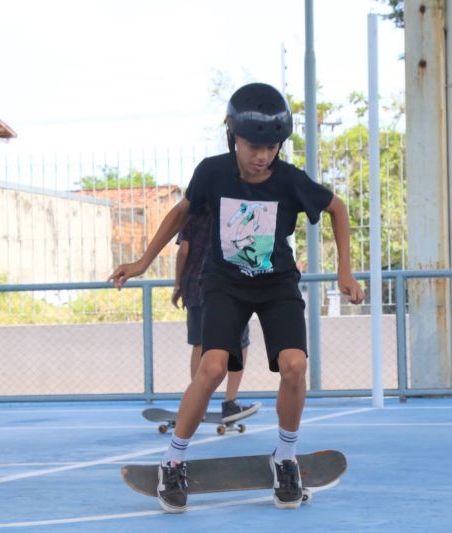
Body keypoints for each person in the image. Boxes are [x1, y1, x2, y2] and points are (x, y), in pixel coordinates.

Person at [108, 82, 365, 513]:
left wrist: (345, 270)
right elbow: (180, 213)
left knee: (295, 365)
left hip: (276, 285)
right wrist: (142, 262)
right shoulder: (212, 172)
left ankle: (285, 458)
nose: (262, 155)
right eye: (253, 146)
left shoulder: (289, 180)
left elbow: (338, 209)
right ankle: (173, 461)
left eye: (272, 146)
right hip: (224, 284)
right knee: (210, 367)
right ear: (233, 137)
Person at [172, 212, 260, 422]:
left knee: (200, 344)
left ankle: (198, 404)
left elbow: (184, 251)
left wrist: (178, 284)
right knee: (240, 341)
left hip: (196, 285)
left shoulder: (191, 215)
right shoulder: (232, 211)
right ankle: (230, 402)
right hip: (228, 287)